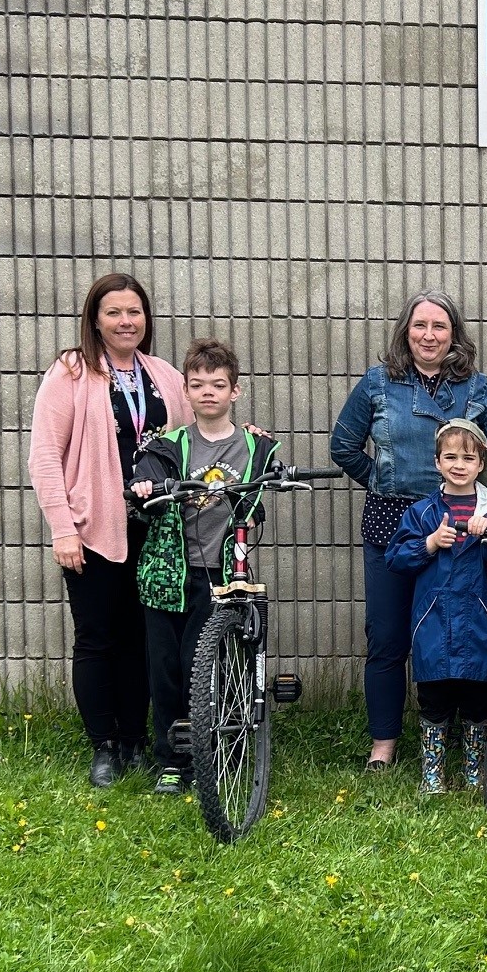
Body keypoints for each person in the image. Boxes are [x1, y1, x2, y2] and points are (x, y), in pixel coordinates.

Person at [330, 290, 487, 771]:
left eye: (439, 326)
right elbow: (344, 445)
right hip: (393, 523)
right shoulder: (377, 383)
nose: (428, 335)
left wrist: (471, 497)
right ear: (404, 331)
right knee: (389, 637)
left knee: (462, 629)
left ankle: (464, 736)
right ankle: (384, 744)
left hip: (462, 529)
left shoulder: (475, 387)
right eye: (419, 325)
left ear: (453, 333)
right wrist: (384, 478)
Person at [27, 271, 191, 787]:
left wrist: (243, 432)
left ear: (147, 318)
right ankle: (105, 746)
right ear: (95, 319)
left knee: (144, 639)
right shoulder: (72, 372)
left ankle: (136, 740)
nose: (126, 321)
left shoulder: (163, 374)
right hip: (93, 528)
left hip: (156, 529)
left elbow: (195, 434)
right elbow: (44, 457)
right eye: (114, 312)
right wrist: (62, 529)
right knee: (98, 638)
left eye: (135, 311)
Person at [129, 338, 279, 794]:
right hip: (169, 573)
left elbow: (265, 485)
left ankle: (220, 752)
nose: (208, 392)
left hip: (224, 572)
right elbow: (144, 480)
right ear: (185, 392)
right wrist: (143, 488)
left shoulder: (257, 447)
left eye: (218, 384)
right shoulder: (167, 445)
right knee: (168, 669)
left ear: (236, 391)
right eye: (198, 385)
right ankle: (173, 761)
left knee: (217, 664)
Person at [385, 419, 487, 795]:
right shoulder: (422, 512)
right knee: (434, 697)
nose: (459, 464)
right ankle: (433, 773)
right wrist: (429, 543)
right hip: (432, 620)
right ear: (437, 462)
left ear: (481, 464)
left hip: (477, 622)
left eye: (468, 457)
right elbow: (396, 559)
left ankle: (474, 769)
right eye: (450, 456)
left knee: (477, 698)